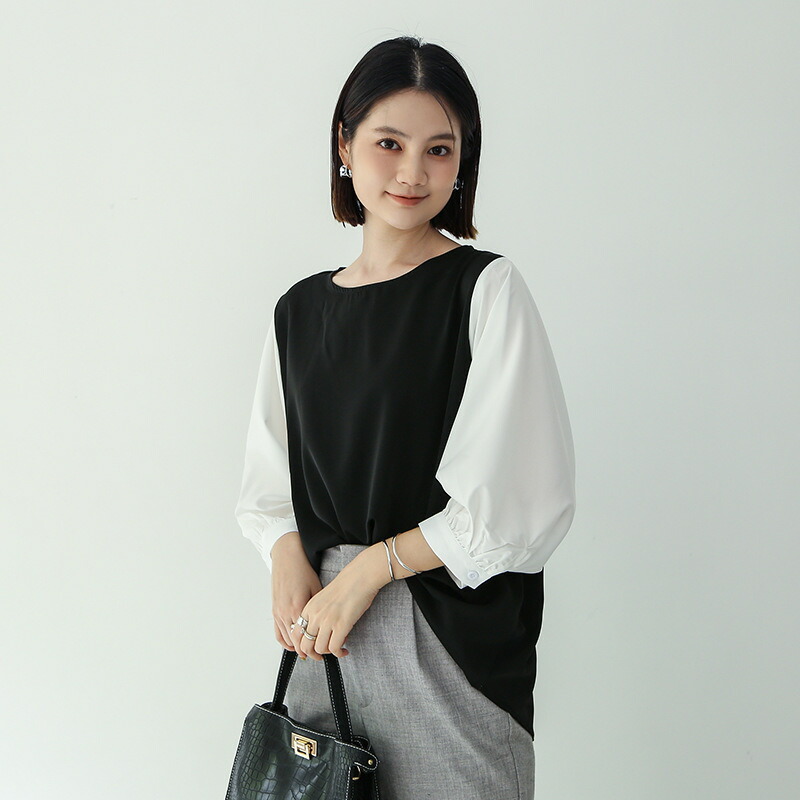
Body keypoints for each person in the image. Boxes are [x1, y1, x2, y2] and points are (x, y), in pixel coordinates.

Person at [234, 35, 576, 800]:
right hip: (326, 635)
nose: (413, 173)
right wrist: (285, 554)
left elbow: (522, 501)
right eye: (389, 143)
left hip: (444, 636)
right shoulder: (299, 311)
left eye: (439, 150)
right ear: (345, 146)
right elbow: (269, 480)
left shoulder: (484, 289)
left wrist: (373, 568)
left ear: (463, 162)